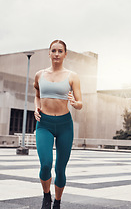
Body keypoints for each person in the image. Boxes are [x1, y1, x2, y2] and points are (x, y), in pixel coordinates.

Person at [33, 40, 82, 209]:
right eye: (53, 50)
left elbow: (80, 102)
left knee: (60, 168)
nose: (56, 54)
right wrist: (36, 108)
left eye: (60, 51)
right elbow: (37, 95)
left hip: (64, 125)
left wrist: (76, 104)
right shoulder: (40, 75)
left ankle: (57, 202)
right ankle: (47, 196)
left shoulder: (72, 76)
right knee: (45, 164)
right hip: (44, 123)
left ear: (65, 54)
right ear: (49, 53)